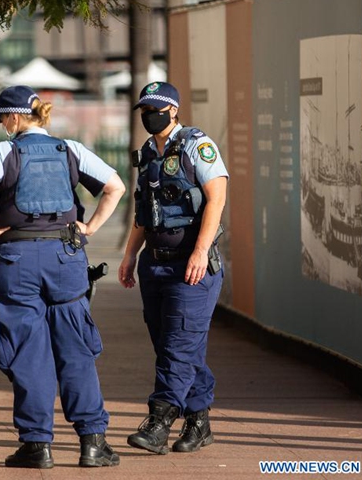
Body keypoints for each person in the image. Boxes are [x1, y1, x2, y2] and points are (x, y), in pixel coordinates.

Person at [0, 85, 126, 469]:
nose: (3, 125)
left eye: (3, 118)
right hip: (66, 257)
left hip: (15, 261)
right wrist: (89, 228)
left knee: (27, 351)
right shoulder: (69, 149)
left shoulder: (5, 152)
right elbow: (115, 187)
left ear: (15, 117)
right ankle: (93, 442)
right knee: (76, 348)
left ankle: (37, 445)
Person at [117, 81, 228, 455]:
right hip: (155, 264)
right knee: (173, 346)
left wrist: (200, 251)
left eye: (157, 109)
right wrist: (130, 254)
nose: (150, 116)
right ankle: (199, 423)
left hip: (192, 269)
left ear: (174, 110)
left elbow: (217, 197)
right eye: (145, 110)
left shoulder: (198, 145)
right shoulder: (148, 152)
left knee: (178, 347)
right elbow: (143, 212)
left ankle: (159, 422)